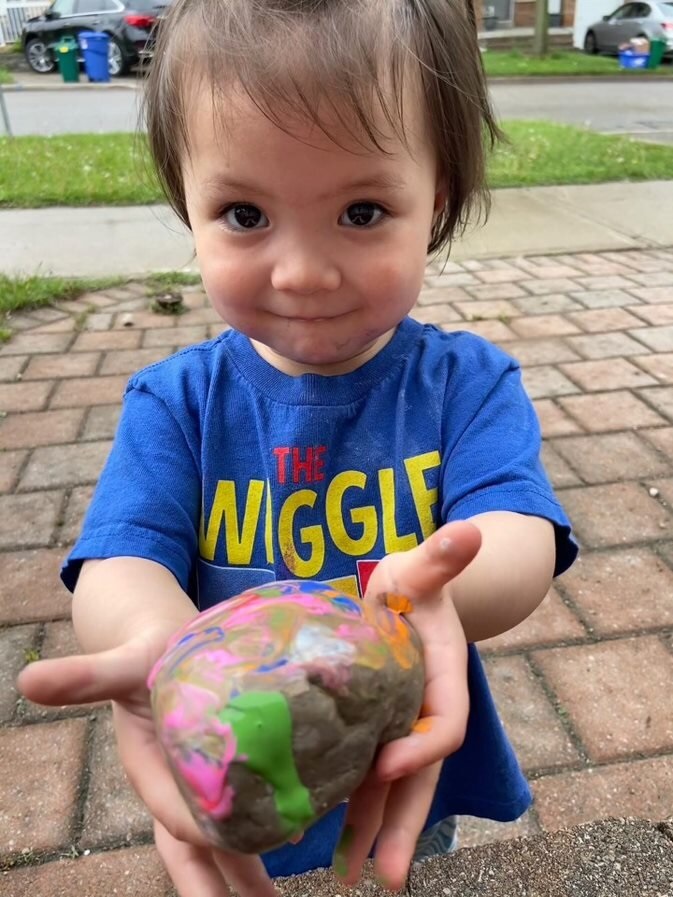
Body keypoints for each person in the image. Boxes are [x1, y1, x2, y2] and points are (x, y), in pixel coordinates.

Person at [18, 1, 578, 895]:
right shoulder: (175, 402)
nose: (302, 272)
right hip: (227, 773)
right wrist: (163, 644)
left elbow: (520, 530)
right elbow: (120, 558)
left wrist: (431, 588)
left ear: (432, 200)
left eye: (361, 210)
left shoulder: (465, 383)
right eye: (244, 213)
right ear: (186, 208)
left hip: (398, 765)